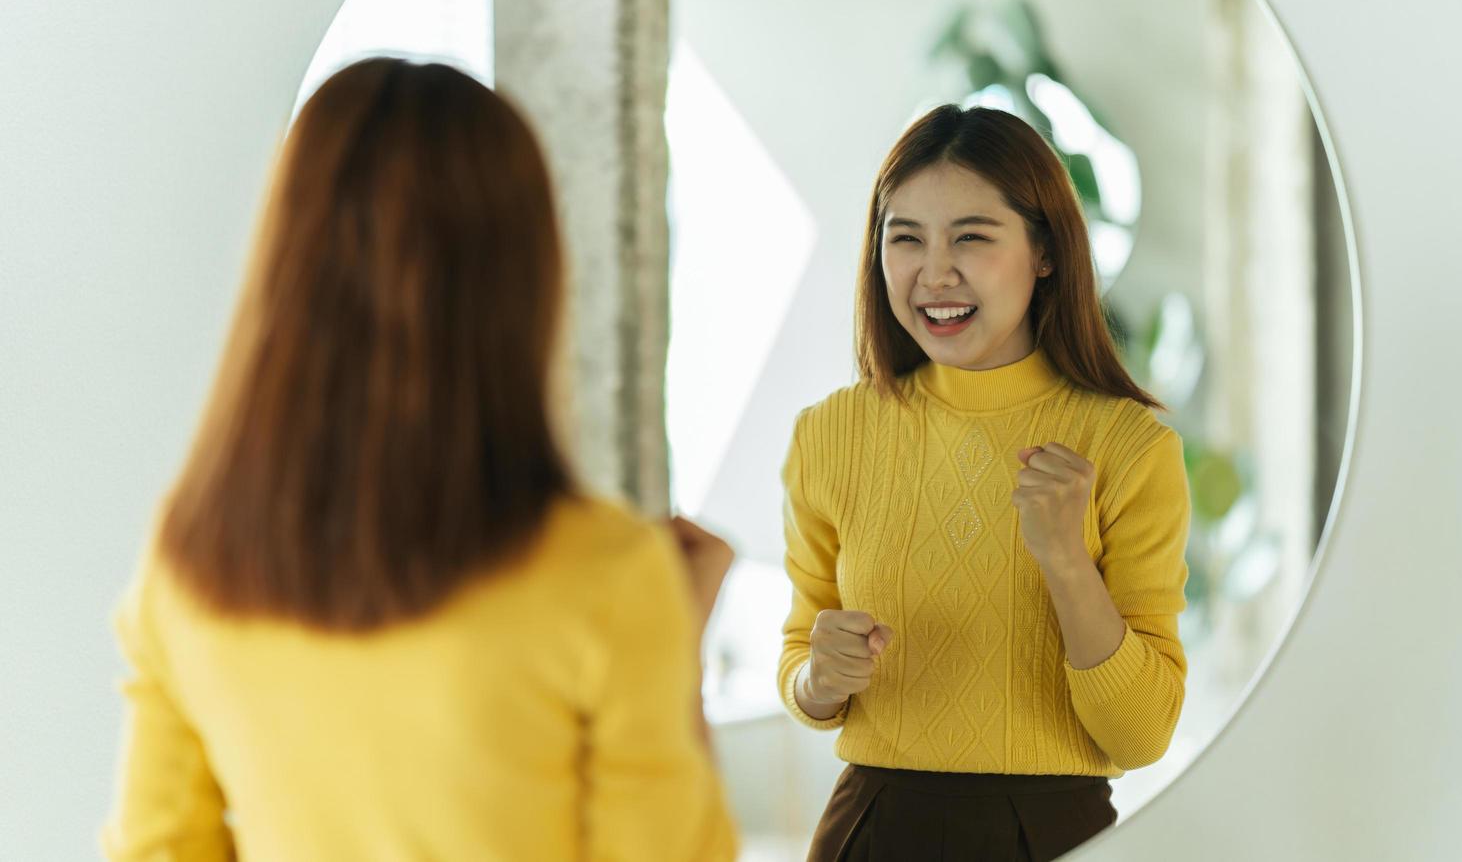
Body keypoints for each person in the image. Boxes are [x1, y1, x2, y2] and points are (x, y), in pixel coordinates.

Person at [102, 57, 737, 861]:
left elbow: (155, 850)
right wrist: (674, 656)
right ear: (528, 280)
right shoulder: (608, 577)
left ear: (285, 264)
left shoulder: (191, 563)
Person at [778, 104, 1190, 861]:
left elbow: (1141, 734)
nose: (935, 272)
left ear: (1043, 251)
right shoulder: (829, 436)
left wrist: (1068, 563)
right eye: (905, 238)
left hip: (1053, 834)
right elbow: (803, 662)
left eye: (971, 236)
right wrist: (818, 679)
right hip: (870, 828)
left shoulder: (1129, 449)